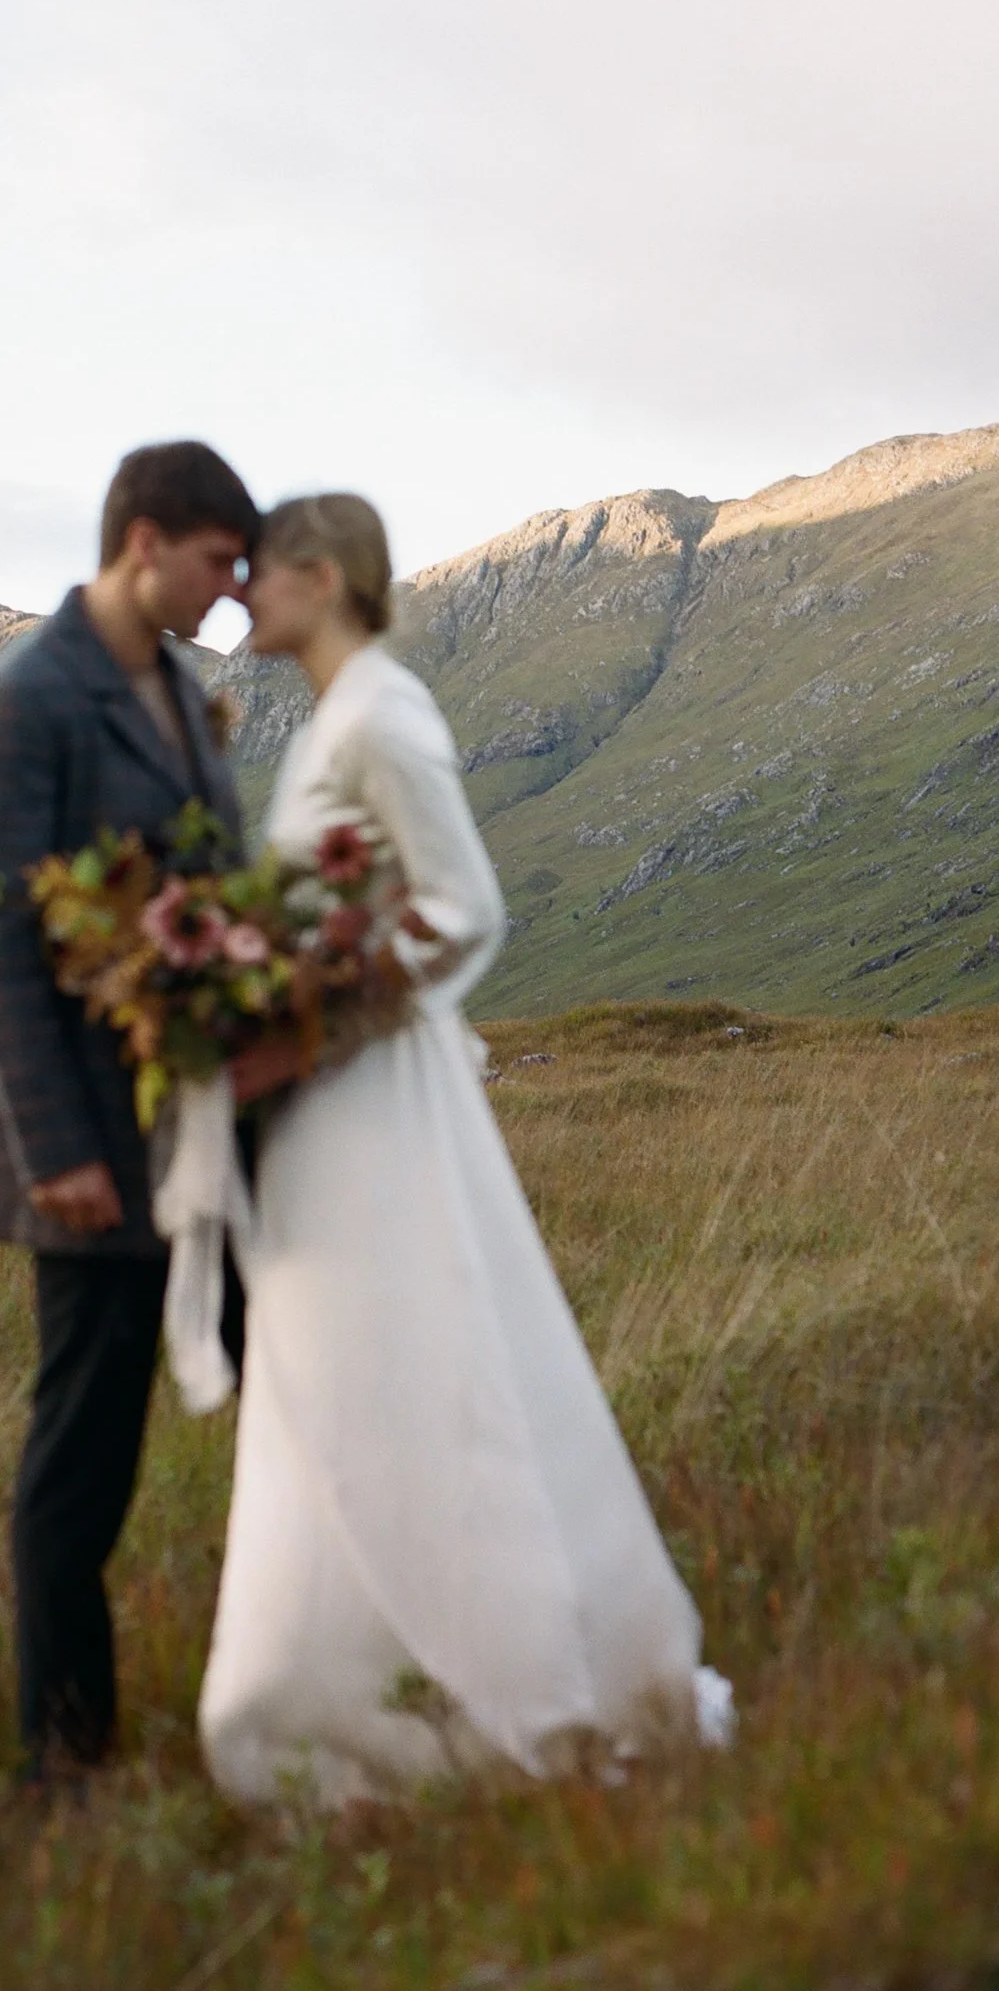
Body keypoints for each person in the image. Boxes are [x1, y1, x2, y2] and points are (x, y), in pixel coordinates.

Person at [200, 493, 729, 1803]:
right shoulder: (340, 714)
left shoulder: (381, 713)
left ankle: (536, 1696)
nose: (239, 597)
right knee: (334, 1385)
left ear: (320, 578)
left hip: (369, 1100)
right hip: (330, 1104)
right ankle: (313, 1692)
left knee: (412, 1374)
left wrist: (316, 1021)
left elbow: (462, 910)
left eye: (258, 573)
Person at [0, 440, 261, 1782]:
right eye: (215, 563)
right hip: (88, 1154)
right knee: (82, 1454)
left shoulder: (179, 695)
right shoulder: (25, 699)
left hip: (197, 1141)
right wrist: (55, 1150)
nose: (232, 593)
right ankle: (62, 1762)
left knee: (291, 1376)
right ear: (143, 541)